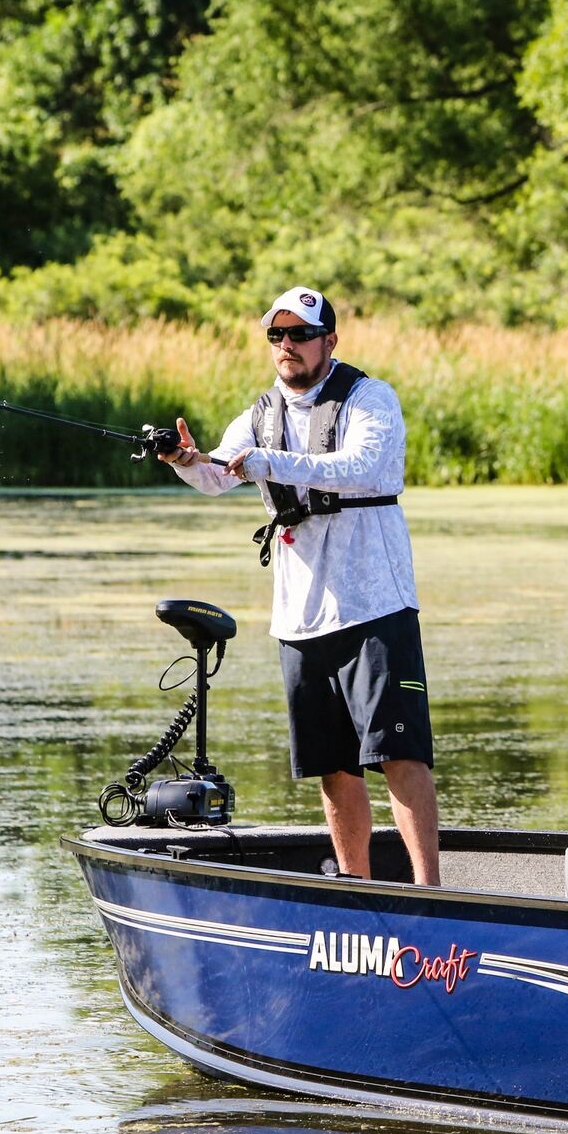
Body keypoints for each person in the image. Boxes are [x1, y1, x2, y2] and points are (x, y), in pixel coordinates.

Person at [158, 286, 439, 886]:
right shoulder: (260, 414)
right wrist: (184, 460)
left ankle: (430, 892)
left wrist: (270, 463)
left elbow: (360, 468)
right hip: (299, 616)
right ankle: (357, 888)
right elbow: (216, 475)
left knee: (398, 753)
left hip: (375, 606)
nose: (287, 345)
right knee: (332, 768)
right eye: (277, 336)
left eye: (300, 334)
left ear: (329, 341)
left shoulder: (370, 398)